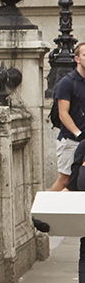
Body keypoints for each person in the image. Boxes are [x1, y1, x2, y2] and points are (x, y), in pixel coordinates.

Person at [50, 40, 85, 190]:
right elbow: (63, 113)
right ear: (77, 59)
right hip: (71, 140)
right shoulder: (67, 82)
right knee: (65, 180)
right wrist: (78, 133)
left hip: (83, 142)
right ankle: (45, 212)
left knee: (78, 181)